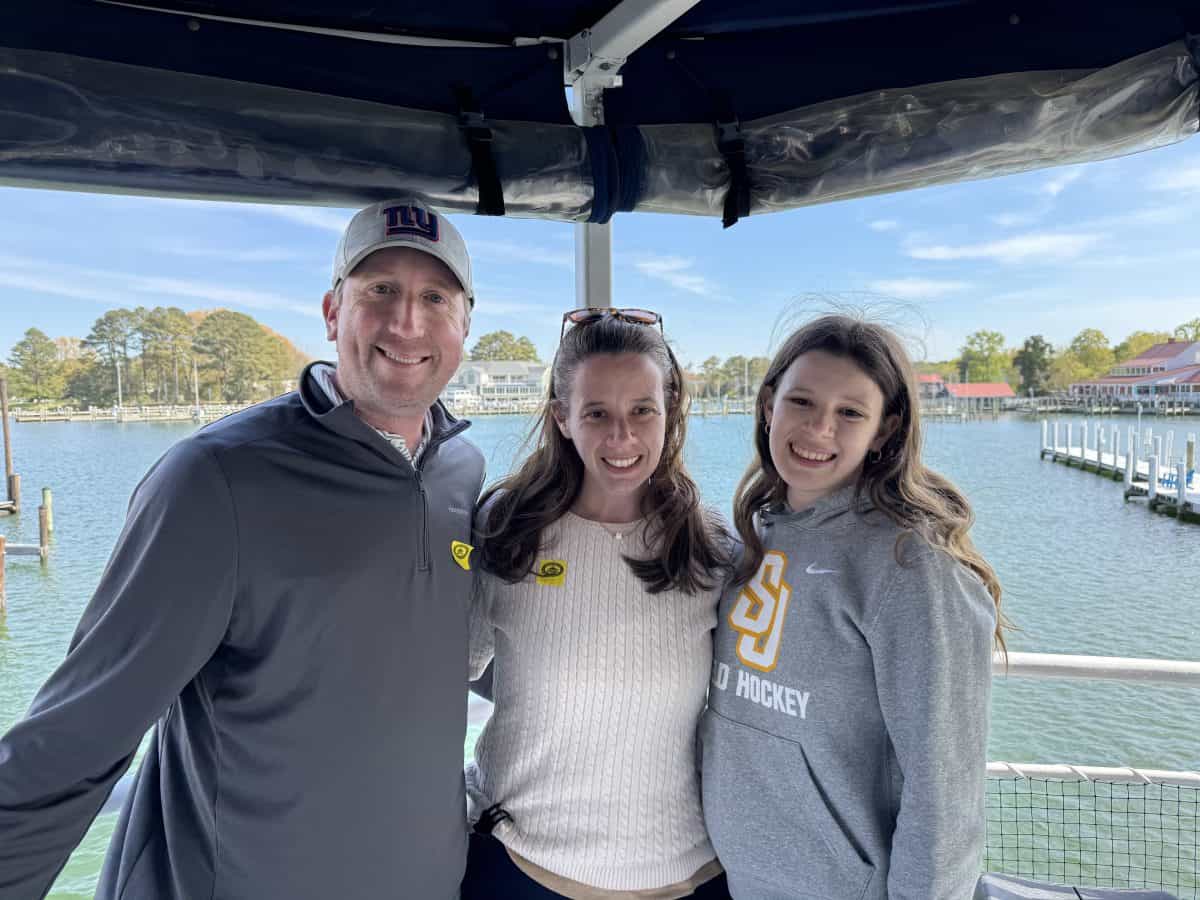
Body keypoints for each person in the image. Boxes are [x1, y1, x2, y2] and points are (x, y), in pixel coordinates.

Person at [0, 197, 485, 900]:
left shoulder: (462, 472)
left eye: (434, 297)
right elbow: (77, 735)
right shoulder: (216, 479)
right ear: (331, 311)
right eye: (379, 290)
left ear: (464, 323)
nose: (407, 322)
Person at [701, 314, 1006, 900]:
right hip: (737, 880)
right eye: (803, 402)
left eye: (850, 413)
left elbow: (945, 791)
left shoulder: (913, 566)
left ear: (885, 430)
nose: (819, 430)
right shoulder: (751, 538)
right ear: (768, 405)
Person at [462, 308, 734, 900]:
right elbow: (443, 674)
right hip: (522, 869)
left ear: (670, 412)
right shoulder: (505, 531)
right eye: (597, 413)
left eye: (643, 410)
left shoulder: (712, 550)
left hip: (691, 875)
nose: (622, 437)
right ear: (562, 417)